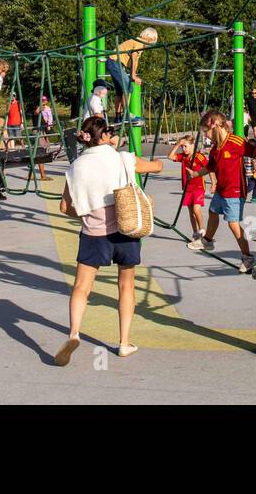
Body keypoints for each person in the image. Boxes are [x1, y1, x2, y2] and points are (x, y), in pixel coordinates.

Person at [55, 116, 164, 366]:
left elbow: (64, 207)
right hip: (126, 230)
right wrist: (160, 162)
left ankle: (73, 333)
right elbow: (154, 167)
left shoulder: (75, 167)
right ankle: (124, 343)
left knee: (81, 286)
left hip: (93, 233)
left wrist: (87, 213)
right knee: (126, 285)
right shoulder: (121, 158)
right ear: (104, 136)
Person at [186, 110, 255, 273]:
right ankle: (208, 240)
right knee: (212, 212)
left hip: (235, 191)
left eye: (206, 131)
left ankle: (247, 256)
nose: (206, 136)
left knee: (233, 224)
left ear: (216, 125)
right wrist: (195, 174)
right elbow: (211, 167)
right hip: (221, 190)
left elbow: (254, 152)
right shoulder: (216, 148)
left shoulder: (236, 142)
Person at [106, 27, 159, 120]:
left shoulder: (138, 43)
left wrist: (134, 73)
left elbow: (135, 61)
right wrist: (133, 76)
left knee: (120, 91)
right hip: (115, 63)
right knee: (128, 87)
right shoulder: (139, 42)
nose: (151, 43)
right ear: (148, 38)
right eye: (151, 40)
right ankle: (127, 114)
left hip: (114, 62)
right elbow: (134, 59)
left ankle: (118, 116)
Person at [168, 135, 209, 241]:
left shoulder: (199, 156)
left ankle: (202, 229)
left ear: (192, 145)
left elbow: (210, 168)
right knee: (191, 212)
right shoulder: (183, 157)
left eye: (185, 146)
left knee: (196, 209)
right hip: (187, 188)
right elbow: (170, 156)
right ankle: (195, 232)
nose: (184, 149)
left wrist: (213, 183)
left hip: (199, 187)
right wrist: (178, 144)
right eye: (183, 147)